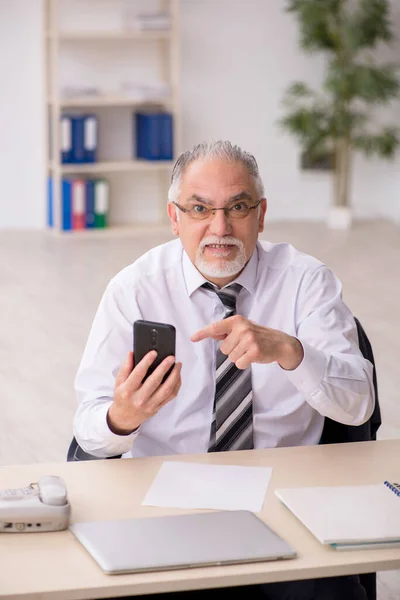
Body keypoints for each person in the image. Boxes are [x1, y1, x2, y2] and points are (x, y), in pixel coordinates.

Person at [74, 140, 373, 600]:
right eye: (199, 208)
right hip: (166, 508)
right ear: (174, 218)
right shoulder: (134, 290)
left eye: (237, 207)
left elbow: (358, 409)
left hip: (287, 503)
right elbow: (88, 433)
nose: (220, 227)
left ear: (261, 213)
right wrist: (122, 417)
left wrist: (292, 351)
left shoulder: (306, 281)